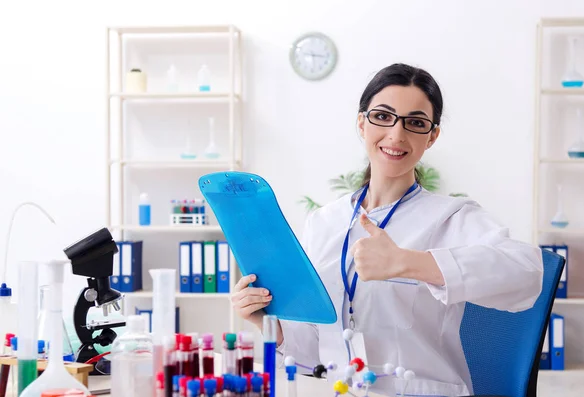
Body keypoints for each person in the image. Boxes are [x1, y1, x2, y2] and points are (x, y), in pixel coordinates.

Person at [231, 63, 543, 397]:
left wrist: (408, 263)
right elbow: (315, 349)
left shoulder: (451, 217)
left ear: (432, 136)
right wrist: (269, 323)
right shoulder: (324, 223)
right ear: (362, 123)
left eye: (416, 123)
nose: (396, 134)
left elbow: (527, 273)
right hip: (342, 390)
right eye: (383, 116)